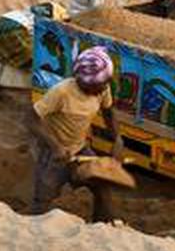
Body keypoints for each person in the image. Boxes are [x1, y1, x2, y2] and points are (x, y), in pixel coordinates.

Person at [28, 47, 124, 220]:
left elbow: (109, 112)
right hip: (53, 153)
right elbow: (31, 119)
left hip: (79, 148)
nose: (104, 88)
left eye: (105, 83)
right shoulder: (61, 92)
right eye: (100, 84)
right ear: (86, 82)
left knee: (103, 185)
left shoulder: (102, 88)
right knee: (43, 200)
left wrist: (117, 139)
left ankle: (99, 230)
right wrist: (55, 146)